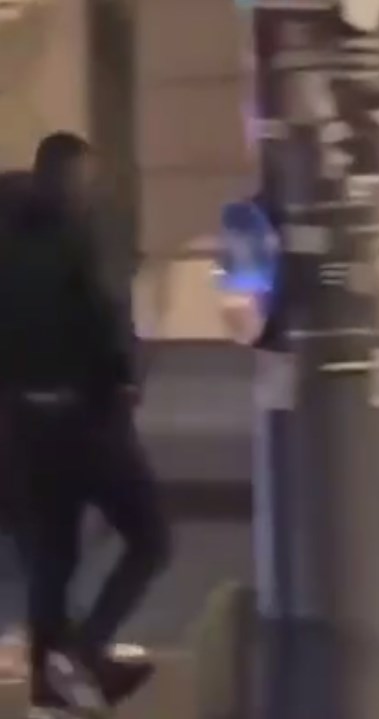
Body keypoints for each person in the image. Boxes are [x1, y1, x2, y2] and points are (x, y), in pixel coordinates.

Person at [0, 133, 169, 716]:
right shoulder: (73, 238)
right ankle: (81, 651)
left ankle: (50, 684)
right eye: (85, 181)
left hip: (24, 422)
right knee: (150, 538)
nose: (89, 193)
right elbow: (99, 320)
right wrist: (124, 379)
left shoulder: (7, 235)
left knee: (54, 556)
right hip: (85, 421)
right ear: (71, 179)